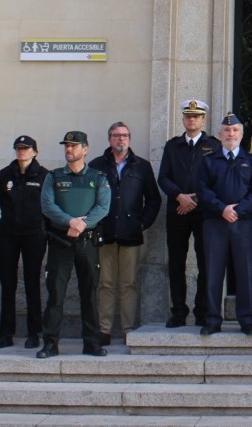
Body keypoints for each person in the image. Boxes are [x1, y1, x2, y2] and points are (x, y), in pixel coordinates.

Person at [37, 131, 112, 358]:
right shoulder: (54, 177)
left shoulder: (98, 177)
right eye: (67, 146)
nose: (69, 149)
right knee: (55, 294)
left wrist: (82, 224)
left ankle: (91, 342)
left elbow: (103, 207)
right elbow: (47, 205)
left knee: (89, 293)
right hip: (61, 242)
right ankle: (50, 343)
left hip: (87, 243)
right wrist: (69, 221)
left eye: (74, 145)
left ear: (85, 149)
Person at [89, 121, 161, 345]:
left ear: (129, 139)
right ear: (109, 139)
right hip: (105, 233)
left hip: (131, 233)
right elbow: (88, 199)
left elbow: (153, 199)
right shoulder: (96, 165)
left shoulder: (141, 166)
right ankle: (104, 330)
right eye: (117, 136)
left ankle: (129, 328)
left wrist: (143, 223)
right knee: (106, 283)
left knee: (129, 283)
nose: (121, 139)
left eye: (125, 135)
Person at [197, 113, 252, 335]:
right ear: (219, 135)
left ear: (242, 134)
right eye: (227, 131)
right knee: (212, 272)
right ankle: (212, 320)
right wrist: (222, 209)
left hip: (244, 224)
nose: (231, 134)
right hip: (214, 223)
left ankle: (246, 320)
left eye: (235, 130)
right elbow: (202, 190)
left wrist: (238, 209)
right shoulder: (209, 160)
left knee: (246, 272)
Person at [157, 99, 221, 328]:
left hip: (204, 213)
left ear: (203, 120)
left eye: (196, 116)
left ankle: (202, 311)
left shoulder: (214, 146)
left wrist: (194, 200)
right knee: (176, 263)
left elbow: (216, 180)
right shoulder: (172, 146)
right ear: (183, 119)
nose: (191, 119)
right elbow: (163, 177)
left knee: (206, 263)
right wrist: (179, 196)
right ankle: (178, 312)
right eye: (187, 116)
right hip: (177, 211)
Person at [0, 135, 49, 349]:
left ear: (34, 151)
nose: (21, 151)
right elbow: (1, 202)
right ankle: (5, 333)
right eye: (18, 148)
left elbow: (46, 206)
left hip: (34, 233)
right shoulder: (4, 175)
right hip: (8, 233)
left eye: (26, 148)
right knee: (7, 284)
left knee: (32, 283)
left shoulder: (44, 176)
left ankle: (34, 332)